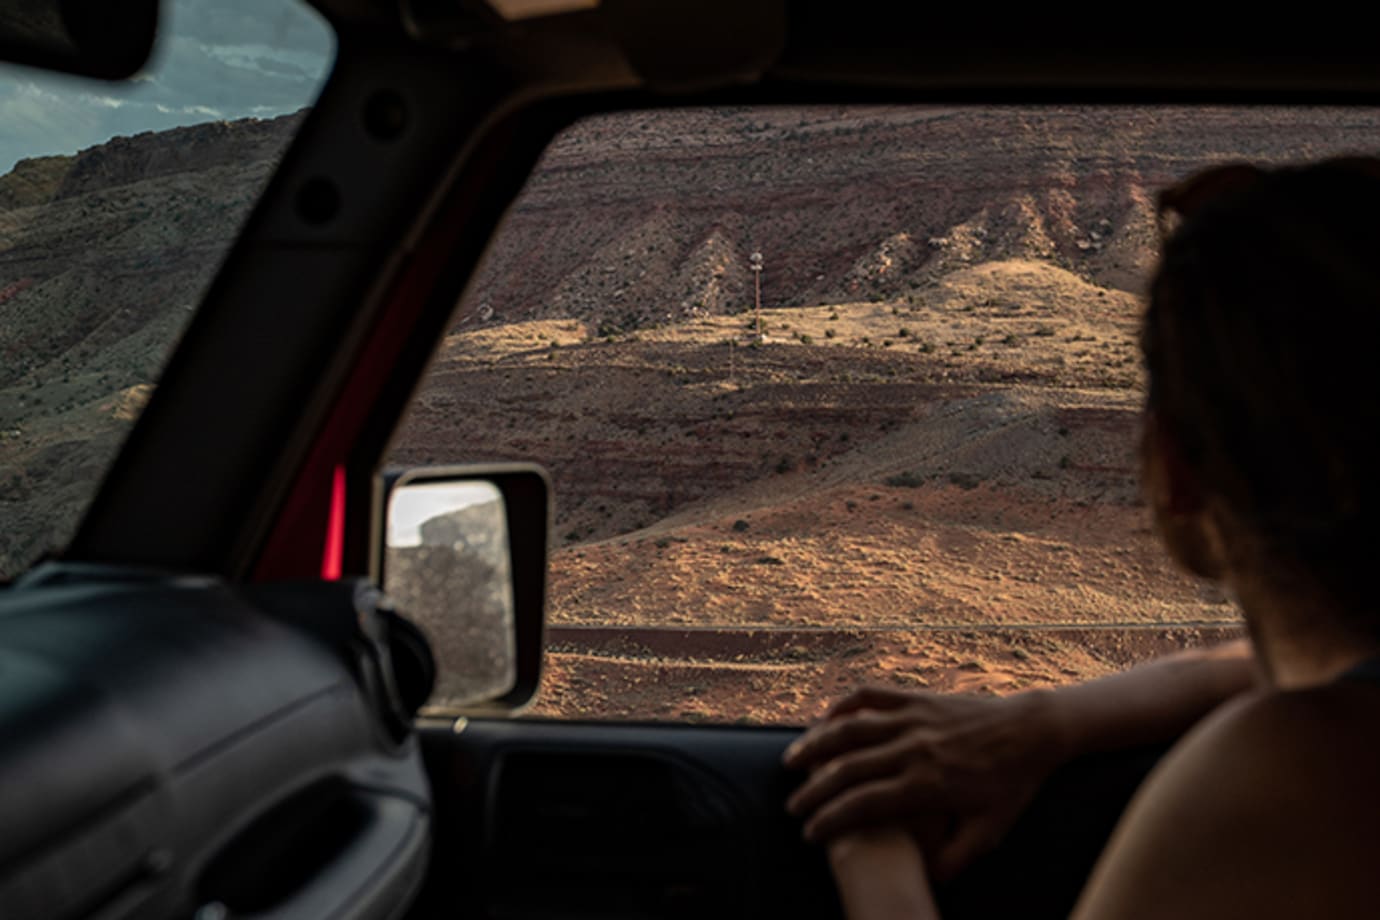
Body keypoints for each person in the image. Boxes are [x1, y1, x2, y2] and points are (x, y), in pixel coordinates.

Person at [783, 158, 1380, 919]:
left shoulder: (1300, 767)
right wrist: (1045, 722)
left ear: (1177, 470)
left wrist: (871, 855)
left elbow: (1305, 702)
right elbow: (1265, 670)